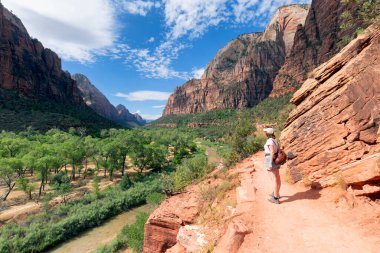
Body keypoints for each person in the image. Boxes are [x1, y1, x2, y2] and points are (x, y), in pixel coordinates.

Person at [263, 127, 281, 204]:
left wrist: (270, 163)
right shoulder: (275, 140)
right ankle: (276, 193)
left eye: (265, 132)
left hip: (271, 159)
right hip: (275, 159)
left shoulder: (269, 141)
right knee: (277, 178)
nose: (265, 133)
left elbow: (272, 152)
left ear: (267, 134)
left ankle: (275, 198)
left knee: (274, 179)